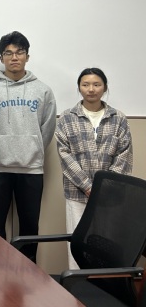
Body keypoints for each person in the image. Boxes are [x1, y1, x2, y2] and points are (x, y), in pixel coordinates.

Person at [0, 31, 56, 262]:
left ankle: (29, 273)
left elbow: (47, 128)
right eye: (8, 53)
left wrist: (32, 148)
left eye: (19, 52)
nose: (14, 57)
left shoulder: (43, 90)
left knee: (29, 226)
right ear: (1, 58)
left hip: (31, 169)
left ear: (27, 56)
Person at [56, 67, 132, 269]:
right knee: (76, 240)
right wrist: (88, 187)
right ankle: (76, 283)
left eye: (97, 84)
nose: (91, 89)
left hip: (111, 196)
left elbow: (124, 156)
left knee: (107, 242)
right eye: (86, 84)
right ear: (79, 87)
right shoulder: (67, 118)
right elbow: (65, 155)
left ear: (105, 87)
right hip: (77, 193)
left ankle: (105, 282)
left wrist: (104, 188)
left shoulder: (118, 118)